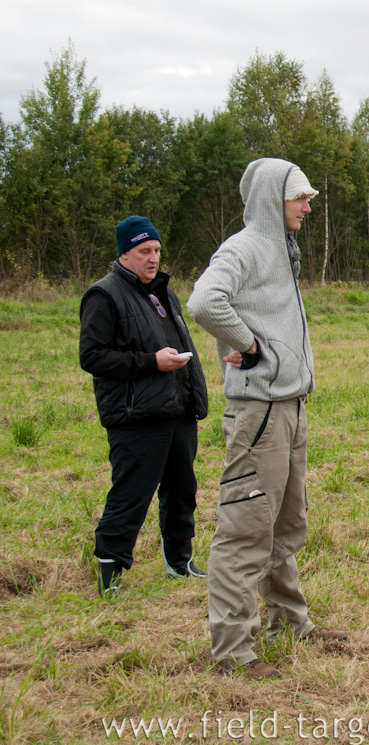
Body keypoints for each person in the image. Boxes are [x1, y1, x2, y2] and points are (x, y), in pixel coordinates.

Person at [190, 158, 347, 680]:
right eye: (300, 197)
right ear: (270, 198)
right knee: (245, 529)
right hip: (259, 414)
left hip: (290, 408)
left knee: (286, 523)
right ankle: (233, 651)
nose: (308, 206)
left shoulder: (283, 249)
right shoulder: (244, 248)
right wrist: (252, 346)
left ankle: (289, 622)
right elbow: (204, 302)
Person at [80, 216, 209, 597]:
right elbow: (93, 356)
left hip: (178, 407)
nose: (153, 259)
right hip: (136, 415)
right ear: (123, 253)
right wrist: (151, 362)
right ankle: (110, 573)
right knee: (131, 494)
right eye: (144, 252)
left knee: (183, 489)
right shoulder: (103, 295)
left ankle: (179, 562)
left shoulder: (164, 293)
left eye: (156, 250)